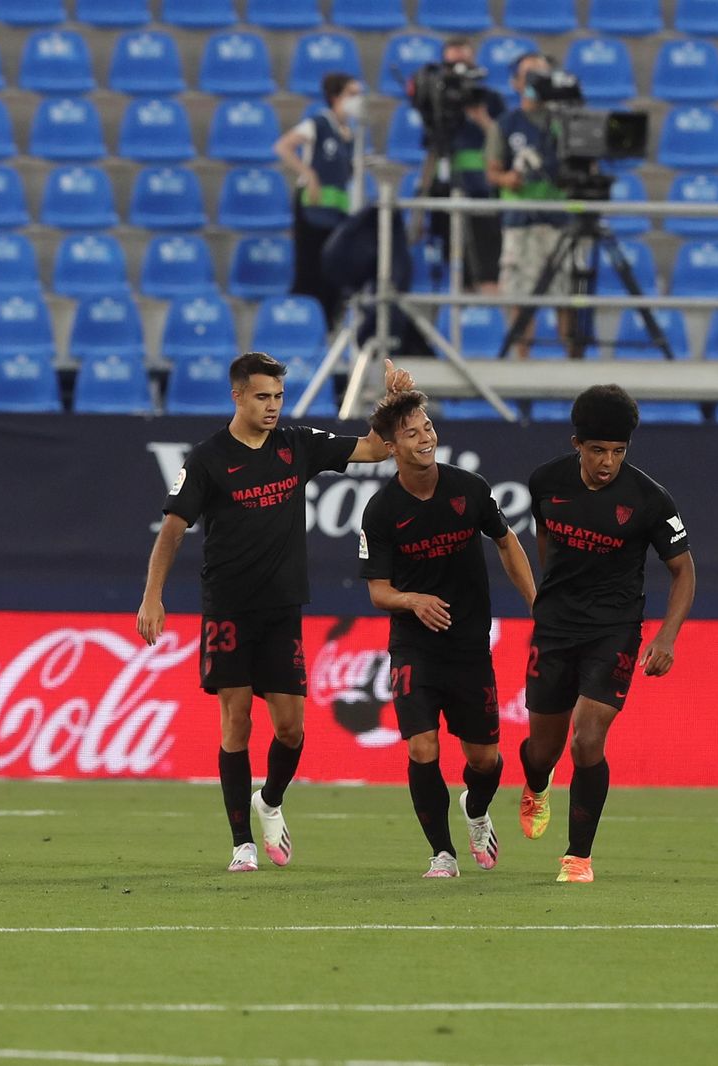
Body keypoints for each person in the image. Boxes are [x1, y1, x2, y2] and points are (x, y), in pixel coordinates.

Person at [137, 351, 414, 872]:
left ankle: (270, 800)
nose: (272, 406)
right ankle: (242, 842)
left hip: (282, 608)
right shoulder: (207, 459)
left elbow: (378, 450)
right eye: (262, 396)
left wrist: (394, 403)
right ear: (237, 395)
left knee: (290, 729)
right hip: (228, 607)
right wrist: (153, 596)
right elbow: (173, 529)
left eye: (278, 397)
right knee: (236, 721)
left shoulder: (297, 444)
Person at [519, 385, 696, 883]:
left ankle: (578, 857)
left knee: (588, 738)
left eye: (618, 452)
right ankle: (536, 782)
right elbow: (546, 535)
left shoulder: (650, 500)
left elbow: (684, 571)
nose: (607, 463)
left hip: (614, 631)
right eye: (598, 450)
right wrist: (549, 592)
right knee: (543, 750)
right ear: (577, 443)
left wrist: (666, 637)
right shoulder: (545, 482)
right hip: (554, 629)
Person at [358, 392, 535, 878]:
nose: (425, 438)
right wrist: (412, 600)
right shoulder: (380, 511)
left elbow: (507, 541)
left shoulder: (470, 489)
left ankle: (476, 810)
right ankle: (442, 853)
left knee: (485, 760)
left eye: (428, 428)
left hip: (469, 646)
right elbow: (378, 591)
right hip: (414, 647)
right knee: (422, 748)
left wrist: (534, 601)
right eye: (411, 433)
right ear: (392, 447)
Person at [485, 52, 567, 358]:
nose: (537, 81)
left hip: (560, 222)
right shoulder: (507, 124)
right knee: (521, 297)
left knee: (569, 297)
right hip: (521, 222)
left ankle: (574, 369)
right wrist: (511, 178)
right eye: (530, 74)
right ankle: (522, 361)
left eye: (543, 74)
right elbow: (492, 172)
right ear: (517, 82)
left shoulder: (564, 122)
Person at [274, 72, 363, 329]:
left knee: (334, 274)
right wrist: (308, 173)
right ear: (336, 96)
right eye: (352, 94)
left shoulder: (353, 135)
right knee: (309, 269)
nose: (357, 100)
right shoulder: (319, 123)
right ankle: (299, 327)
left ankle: (327, 326)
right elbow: (283, 146)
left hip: (337, 211)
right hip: (312, 208)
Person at [421, 37, 504, 295]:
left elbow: (505, 142)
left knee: (489, 267)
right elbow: (430, 142)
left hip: (483, 192)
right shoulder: (436, 101)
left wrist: (482, 120)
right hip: (446, 188)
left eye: (464, 64)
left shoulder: (490, 99)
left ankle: (491, 325)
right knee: (459, 268)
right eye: (452, 65)